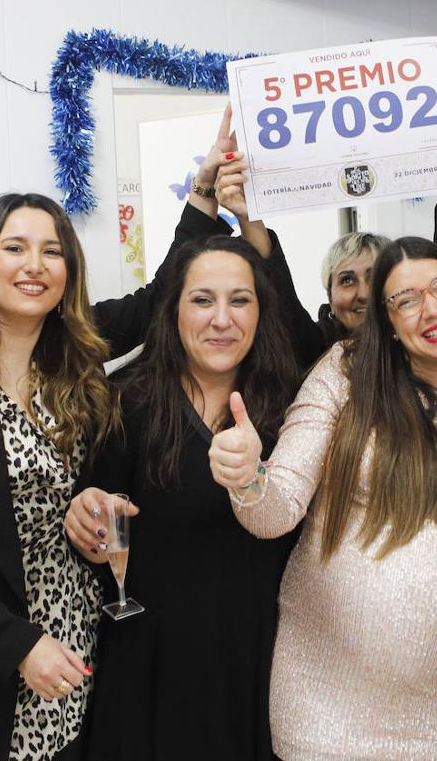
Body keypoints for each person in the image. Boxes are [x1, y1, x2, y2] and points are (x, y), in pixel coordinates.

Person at [0, 124, 238, 760]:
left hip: (75, 655)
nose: (35, 266)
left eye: (53, 252)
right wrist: (15, 647)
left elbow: (157, 300)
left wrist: (204, 190)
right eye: (15, 248)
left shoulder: (74, 359)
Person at [207, 238, 437, 761]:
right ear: (388, 322)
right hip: (323, 704)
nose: (432, 307)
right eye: (406, 299)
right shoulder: (344, 375)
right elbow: (277, 510)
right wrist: (247, 478)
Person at [62, 236, 300, 760]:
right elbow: (96, 532)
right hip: (149, 669)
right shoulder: (125, 401)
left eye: (240, 300)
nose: (222, 319)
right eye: (202, 300)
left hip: (258, 667)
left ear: (262, 312)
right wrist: (83, 521)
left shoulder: (294, 407)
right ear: (173, 311)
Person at [211, 112, 437, 360]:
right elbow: (278, 296)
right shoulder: (314, 351)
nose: (363, 293)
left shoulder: (428, 336)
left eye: (375, 276)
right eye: (347, 280)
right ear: (330, 297)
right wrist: (248, 216)